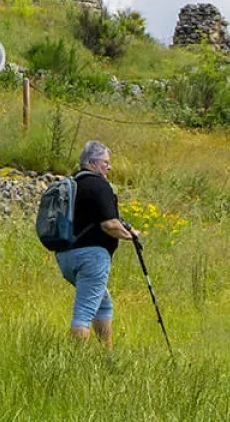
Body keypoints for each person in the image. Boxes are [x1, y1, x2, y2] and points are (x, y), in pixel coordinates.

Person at [56, 140, 139, 347]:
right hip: (91, 257)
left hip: (65, 255)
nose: (109, 167)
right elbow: (110, 225)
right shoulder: (99, 185)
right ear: (92, 163)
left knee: (102, 303)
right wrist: (131, 235)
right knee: (84, 311)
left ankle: (106, 354)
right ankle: (76, 363)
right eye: (105, 162)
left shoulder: (71, 184)